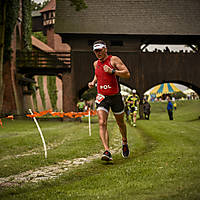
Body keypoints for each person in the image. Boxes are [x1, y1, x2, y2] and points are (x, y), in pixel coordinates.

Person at [88, 40, 130, 161]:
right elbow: (97, 74)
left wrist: (113, 71)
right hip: (102, 96)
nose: (98, 53)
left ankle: (124, 142)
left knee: (120, 123)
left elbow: (127, 74)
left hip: (115, 96)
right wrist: (93, 82)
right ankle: (107, 151)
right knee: (102, 122)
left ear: (105, 49)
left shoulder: (114, 60)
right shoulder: (96, 64)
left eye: (100, 50)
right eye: (96, 51)